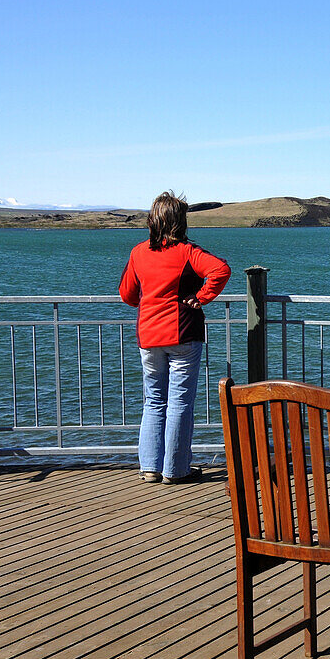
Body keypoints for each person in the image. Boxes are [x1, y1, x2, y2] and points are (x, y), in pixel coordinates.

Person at [119, 191, 231, 484]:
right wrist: (201, 297)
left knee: (153, 401)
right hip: (182, 334)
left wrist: (150, 302)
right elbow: (221, 269)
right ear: (179, 221)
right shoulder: (187, 251)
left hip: (149, 335)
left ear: (153, 220)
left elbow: (127, 295)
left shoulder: (138, 252)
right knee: (180, 403)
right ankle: (175, 469)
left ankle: (150, 468)